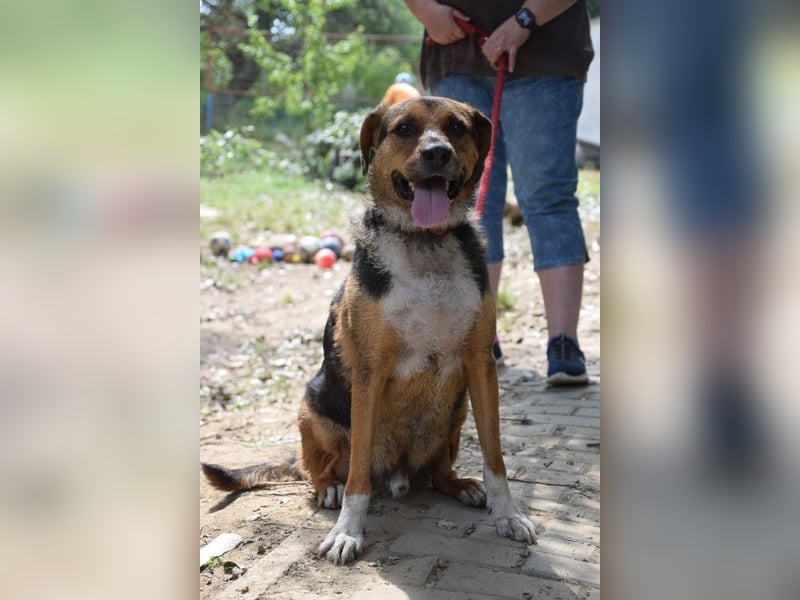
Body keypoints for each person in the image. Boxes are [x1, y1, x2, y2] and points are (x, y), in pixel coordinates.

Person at [403, 1, 594, 384]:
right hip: (455, 52)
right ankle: (479, 336)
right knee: (468, 199)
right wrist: (426, 10)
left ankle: (563, 344)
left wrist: (527, 19)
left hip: (546, 52)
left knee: (548, 196)